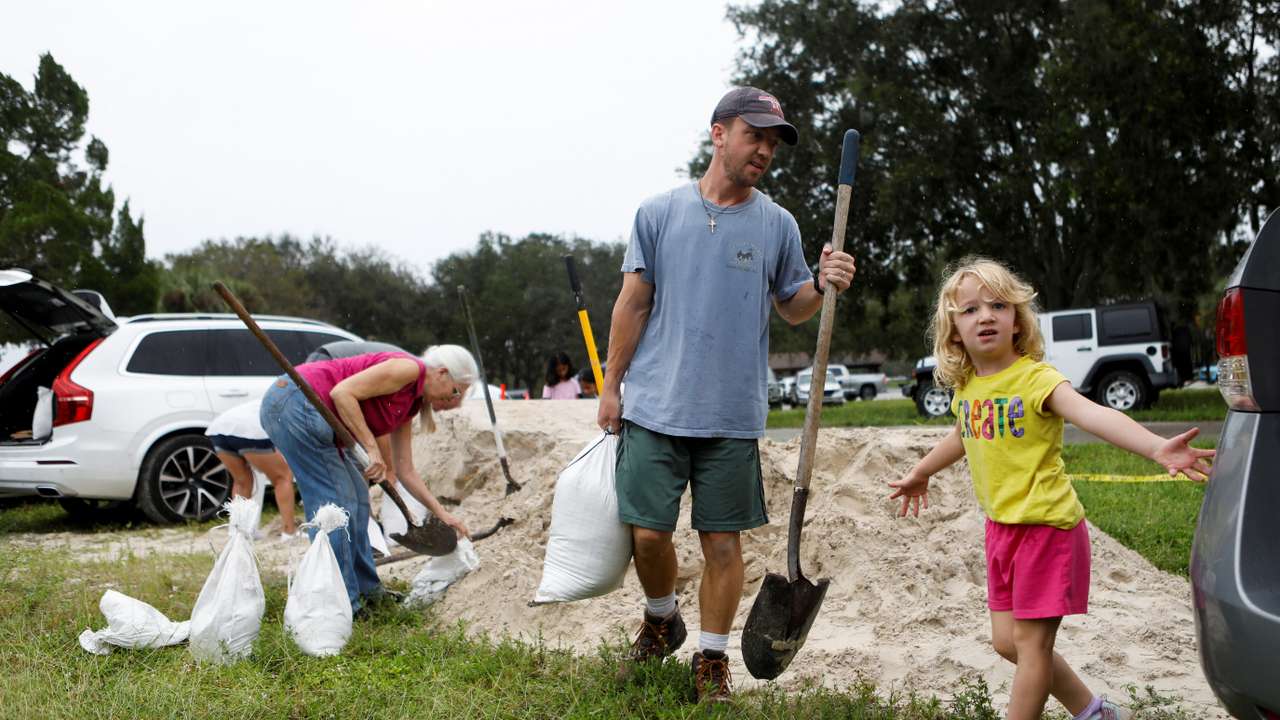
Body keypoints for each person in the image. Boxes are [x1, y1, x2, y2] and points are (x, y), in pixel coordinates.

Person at [597, 86, 856, 702]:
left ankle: (711, 660)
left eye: (773, 142)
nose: (764, 149)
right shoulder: (657, 213)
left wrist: (822, 282)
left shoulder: (777, 223)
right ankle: (662, 616)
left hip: (732, 416)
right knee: (648, 536)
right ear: (718, 133)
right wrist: (611, 387)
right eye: (754, 135)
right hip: (656, 406)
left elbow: (794, 306)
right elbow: (632, 303)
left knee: (721, 543)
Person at [887, 257, 1213, 720]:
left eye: (998, 305)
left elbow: (1095, 414)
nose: (985, 316)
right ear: (954, 330)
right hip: (1001, 530)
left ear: (1016, 322)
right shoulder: (969, 388)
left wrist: (1156, 447)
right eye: (971, 309)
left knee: (1032, 646)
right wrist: (922, 471)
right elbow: (963, 433)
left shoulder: (1036, 378)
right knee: (1008, 643)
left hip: (1047, 529)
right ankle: (1095, 711)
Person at [260, 345, 477, 613]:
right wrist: (371, 448)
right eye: (456, 391)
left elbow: (405, 469)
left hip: (308, 410)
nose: (454, 401)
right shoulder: (408, 369)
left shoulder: (410, 403)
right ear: (442, 373)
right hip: (296, 401)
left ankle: (368, 591)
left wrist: (442, 513)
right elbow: (342, 393)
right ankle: (341, 603)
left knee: (358, 500)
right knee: (336, 508)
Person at [205, 398, 298, 539]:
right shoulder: (298, 401)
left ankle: (238, 532)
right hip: (250, 430)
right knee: (282, 478)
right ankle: (289, 532)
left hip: (219, 429)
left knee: (241, 481)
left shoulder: (274, 394)